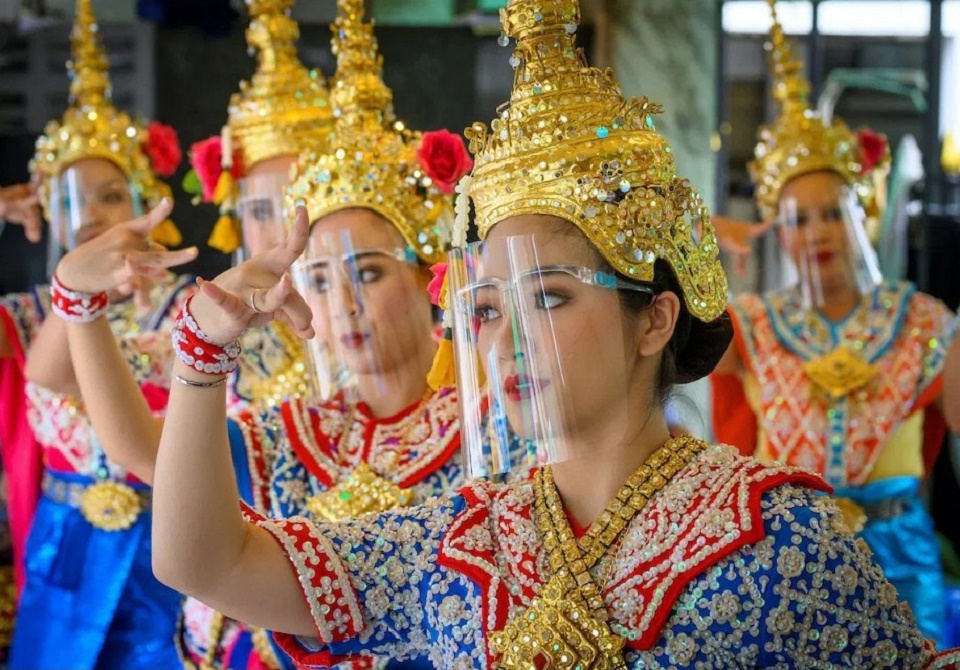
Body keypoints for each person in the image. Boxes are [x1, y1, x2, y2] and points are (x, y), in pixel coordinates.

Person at [65, 0, 960, 666]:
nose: (506, 342)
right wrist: (203, 354)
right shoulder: (461, 541)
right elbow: (203, 562)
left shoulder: (777, 539)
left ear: (654, 316)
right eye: (487, 309)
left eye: (550, 298)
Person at [56, 0, 472, 667]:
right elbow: (143, 451)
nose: (343, 305)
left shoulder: (488, 420)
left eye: (367, 274)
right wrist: (79, 302)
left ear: (429, 275)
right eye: (321, 281)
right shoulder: (300, 428)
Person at [710, 0, 960, 644]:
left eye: (832, 213)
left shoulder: (923, 320)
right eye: (798, 220)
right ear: (777, 232)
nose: (817, 233)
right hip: (783, 559)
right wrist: (696, 237)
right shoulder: (752, 323)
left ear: (860, 215)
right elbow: (663, 339)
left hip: (899, 555)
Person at [1, 0, 198, 667]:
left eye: (111, 195)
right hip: (64, 549)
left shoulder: (193, 306)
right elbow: (44, 373)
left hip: (165, 551)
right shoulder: (24, 317)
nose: (90, 215)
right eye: (69, 199)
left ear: (144, 204)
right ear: (45, 214)